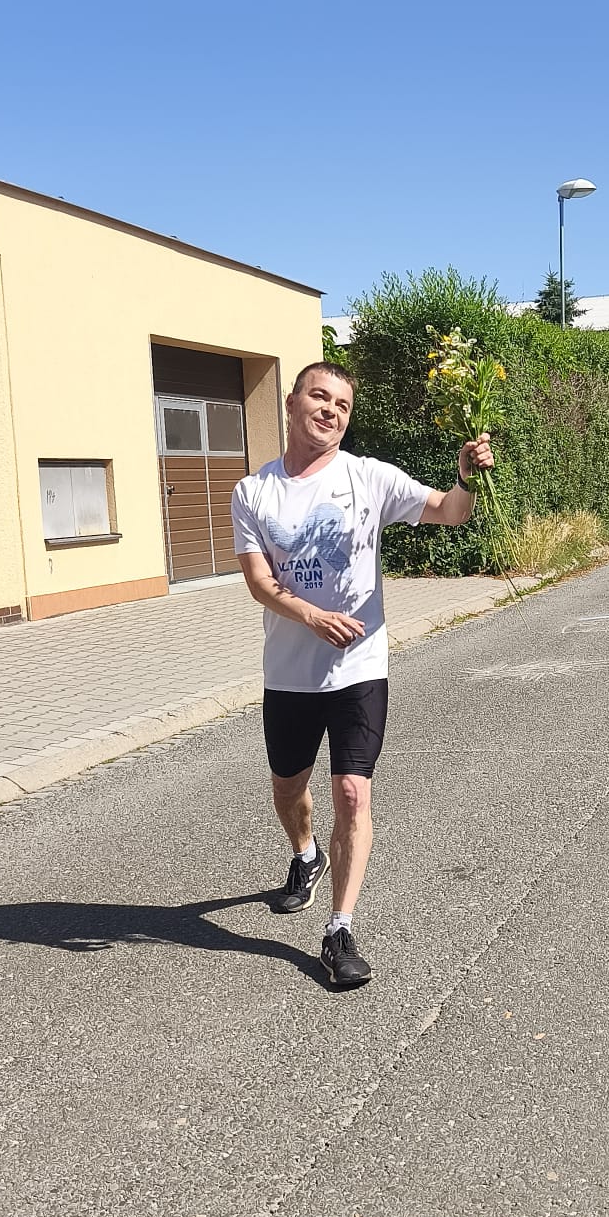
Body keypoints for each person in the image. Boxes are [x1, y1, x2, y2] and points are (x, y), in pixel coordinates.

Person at [232, 362, 493, 989]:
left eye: (343, 405)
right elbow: (259, 580)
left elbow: (449, 512)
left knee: (352, 793)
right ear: (291, 403)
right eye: (320, 397)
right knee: (288, 790)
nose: (331, 411)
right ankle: (306, 854)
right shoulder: (254, 491)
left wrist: (465, 478)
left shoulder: (367, 477)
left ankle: (339, 929)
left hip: (360, 665)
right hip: (290, 674)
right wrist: (311, 616)